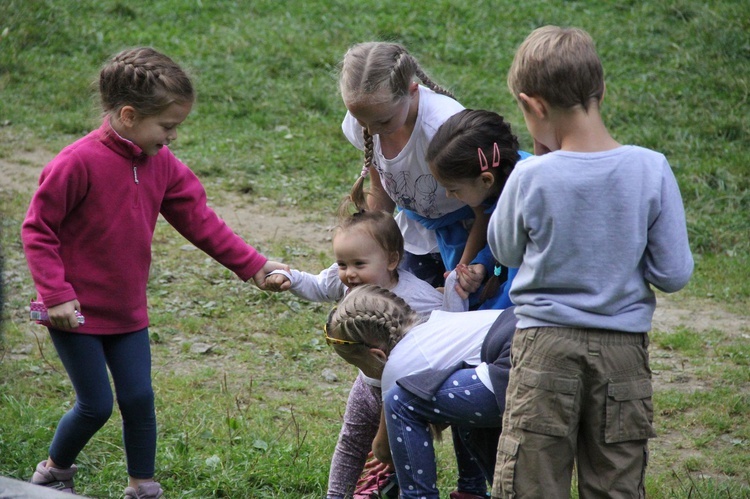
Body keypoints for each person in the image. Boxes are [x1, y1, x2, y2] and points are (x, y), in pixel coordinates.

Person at [21, 47, 285, 499]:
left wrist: (254, 266)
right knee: (96, 405)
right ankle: (55, 470)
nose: (173, 136)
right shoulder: (76, 162)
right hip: (74, 313)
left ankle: (142, 483)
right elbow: (37, 230)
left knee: (139, 399)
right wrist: (56, 295)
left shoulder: (161, 163)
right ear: (127, 115)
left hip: (128, 312)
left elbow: (200, 220)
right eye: (167, 126)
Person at [488, 26, 694, 498]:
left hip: (545, 349)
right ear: (601, 90)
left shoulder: (531, 175)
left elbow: (504, 250)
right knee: (615, 482)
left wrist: (537, 162)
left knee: (532, 481)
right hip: (623, 354)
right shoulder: (651, 167)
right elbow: (673, 273)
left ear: (533, 106)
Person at [265, 208, 465, 499]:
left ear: (392, 260)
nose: (349, 273)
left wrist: (454, 292)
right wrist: (290, 278)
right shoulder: (346, 281)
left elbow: (449, 328)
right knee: (350, 443)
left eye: (359, 263)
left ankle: (395, 487)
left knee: (399, 449)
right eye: (342, 264)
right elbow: (320, 285)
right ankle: (337, 495)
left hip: (402, 392)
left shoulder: (417, 295)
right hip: (367, 385)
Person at [325, 284, 516, 499]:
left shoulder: (398, 366)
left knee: (400, 403)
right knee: (465, 413)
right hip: (530, 339)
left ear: (378, 355)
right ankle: (476, 492)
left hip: (515, 363)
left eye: (361, 366)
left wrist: (386, 444)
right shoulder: (436, 326)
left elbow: (384, 451)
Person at [340, 41, 480, 288]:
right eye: (362, 121)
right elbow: (381, 189)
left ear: (412, 89)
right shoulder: (367, 117)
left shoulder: (441, 129)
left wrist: (463, 269)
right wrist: (367, 249)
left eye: (382, 121)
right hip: (416, 232)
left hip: (471, 236)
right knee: (400, 305)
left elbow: (485, 209)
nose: (371, 131)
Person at [426, 109, 532, 309]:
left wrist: (473, 317)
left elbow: (518, 291)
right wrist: (481, 265)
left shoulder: (526, 202)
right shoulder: (502, 180)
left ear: (485, 179)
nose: (449, 195)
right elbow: (500, 247)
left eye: (453, 189)